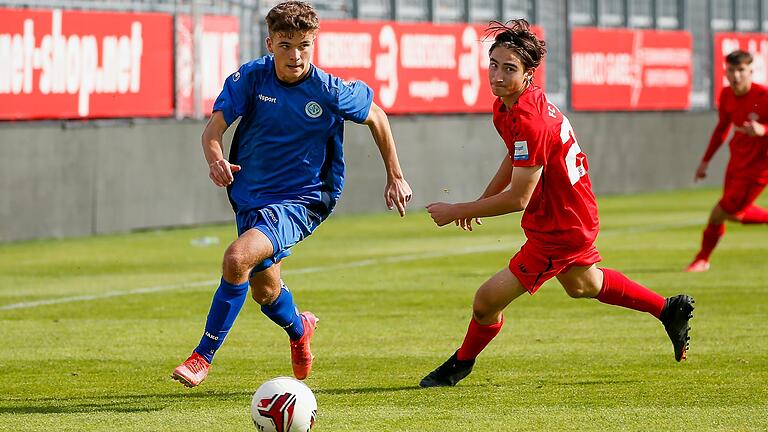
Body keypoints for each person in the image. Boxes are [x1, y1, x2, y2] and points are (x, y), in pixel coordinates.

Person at [419, 20, 694, 388]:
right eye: (494, 64)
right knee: (583, 285)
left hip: (561, 227)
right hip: (570, 215)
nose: (497, 76)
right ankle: (667, 310)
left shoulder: (530, 120)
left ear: (529, 73)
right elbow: (517, 160)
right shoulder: (511, 106)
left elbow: (519, 197)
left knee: (485, 302)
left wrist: (459, 209)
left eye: (509, 68)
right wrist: (482, 199)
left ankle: (458, 366)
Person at [172, 0, 412, 388]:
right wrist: (215, 159)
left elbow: (377, 116)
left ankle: (202, 356)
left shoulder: (329, 90)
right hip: (251, 197)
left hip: (304, 199)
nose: (296, 55)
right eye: (286, 45)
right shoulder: (251, 79)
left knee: (236, 259)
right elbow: (212, 131)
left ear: (314, 44)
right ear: (270, 44)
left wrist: (395, 175)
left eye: (304, 45)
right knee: (265, 292)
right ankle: (300, 328)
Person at [686, 50, 768, 273]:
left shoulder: (763, 97)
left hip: (758, 168)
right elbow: (722, 129)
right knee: (734, 213)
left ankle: (702, 259)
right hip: (736, 163)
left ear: (751, 71)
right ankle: (703, 259)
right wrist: (705, 162)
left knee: (719, 213)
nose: (736, 76)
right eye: (731, 70)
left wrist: (763, 130)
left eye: (741, 70)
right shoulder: (726, 95)